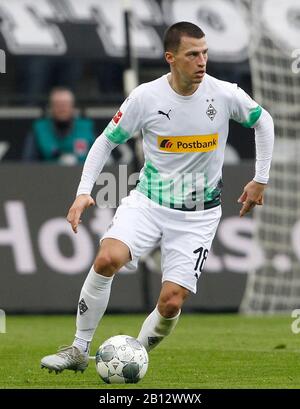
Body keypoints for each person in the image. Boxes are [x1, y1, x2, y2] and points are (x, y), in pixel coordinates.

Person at [41, 22, 274, 373]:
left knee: (171, 302)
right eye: (192, 54)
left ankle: (135, 356)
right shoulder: (146, 97)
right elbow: (106, 141)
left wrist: (260, 179)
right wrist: (83, 192)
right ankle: (77, 349)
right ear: (171, 58)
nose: (202, 61)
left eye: (205, 53)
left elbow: (263, 121)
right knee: (107, 258)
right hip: (149, 203)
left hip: (198, 213)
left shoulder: (224, 94)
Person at [22, 87, 95, 164]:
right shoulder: (39, 128)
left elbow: (100, 159)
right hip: (47, 174)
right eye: (58, 105)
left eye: (65, 105)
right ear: (51, 107)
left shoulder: (86, 127)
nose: (62, 109)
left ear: (72, 107)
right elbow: (28, 161)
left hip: (82, 174)